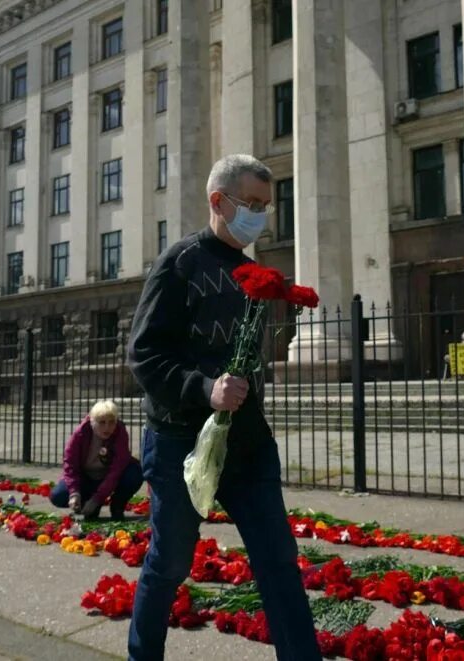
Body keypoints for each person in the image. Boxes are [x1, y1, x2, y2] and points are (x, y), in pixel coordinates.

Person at [126, 154, 319, 660]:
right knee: (169, 561)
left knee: (278, 561)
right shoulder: (181, 262)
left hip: (248, 444)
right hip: (177, 443)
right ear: (218, 201)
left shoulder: (255, 273)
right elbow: (144, 354)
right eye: (250, 204)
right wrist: (203, 388)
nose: (259, 215)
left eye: (265, 207)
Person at [49, 400, 144, 521]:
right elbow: (70, 465)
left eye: (112, 422)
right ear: (92, 422)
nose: (107, 428)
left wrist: (97, 499)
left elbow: (117, 468)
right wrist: (74, 493)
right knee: (58, 495)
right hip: (86, 477)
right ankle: (85, 503)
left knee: (134, 474)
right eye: (102, 422)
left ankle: (117, 505)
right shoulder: (80, 434)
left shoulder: (120, 432)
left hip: (109, 476)